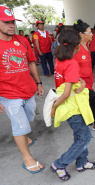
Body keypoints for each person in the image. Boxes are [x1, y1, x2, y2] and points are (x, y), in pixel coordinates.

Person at [50, 29, 95, 181]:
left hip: (70, 105)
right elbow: (66, 93)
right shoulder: (71, 63)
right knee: (84, 137)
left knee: (80, 135)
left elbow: (70, 81)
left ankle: (82, 163)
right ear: (77, 47)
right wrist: (54, 107)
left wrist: (82, 82)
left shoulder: (59, 59)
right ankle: (59, 164)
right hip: (72, 106)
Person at [0, 6, 44, 173]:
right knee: (20, 125)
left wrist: (38, 83)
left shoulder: (22, 40)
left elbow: (31, 62)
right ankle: (28, 159)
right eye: (6, 22)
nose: (11, 25)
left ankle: (23, 134)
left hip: (28, 90)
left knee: (29, 116)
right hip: (8, 94)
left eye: (13, 22)